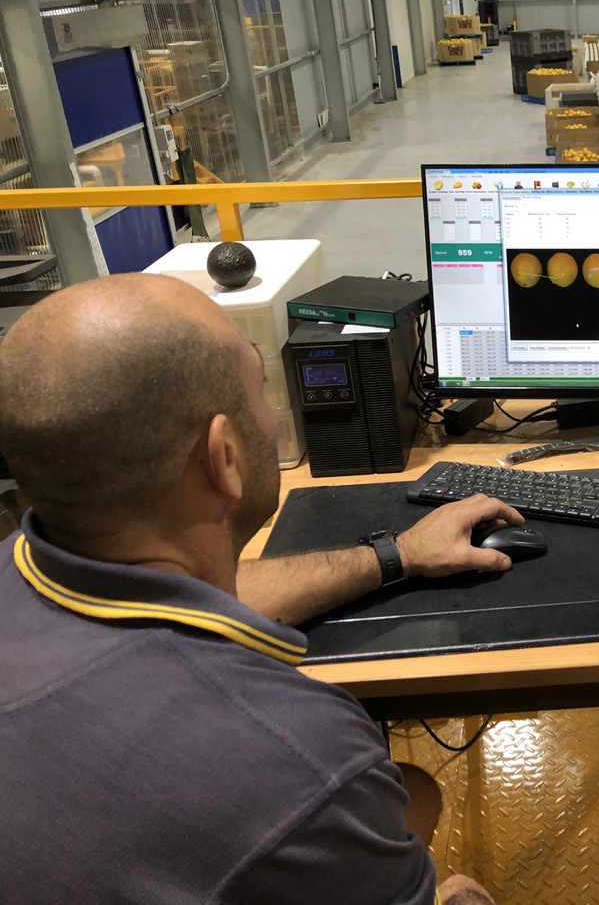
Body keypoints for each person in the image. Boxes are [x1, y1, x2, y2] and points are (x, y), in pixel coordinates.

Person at [0, 273, 522, 905]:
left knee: (409, 794)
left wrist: (400, 554)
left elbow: (198, 599)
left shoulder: (29, 565)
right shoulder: (298, 758)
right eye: (260, 391)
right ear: (223, 457)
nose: (274, 415)